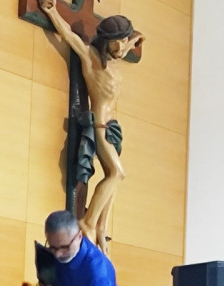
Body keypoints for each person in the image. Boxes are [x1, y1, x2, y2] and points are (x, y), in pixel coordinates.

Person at [40, 0, 145, 254]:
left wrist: (136, 39)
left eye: (124, 41)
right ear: (106, 41)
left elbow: (127, 45)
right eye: (117, 42)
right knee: (117, 173)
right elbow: (68, 35)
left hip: (111, 127)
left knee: (114, 178)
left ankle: (99, 227)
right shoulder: (91, 58)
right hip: (98, 125)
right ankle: (87, 222)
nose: (121, 47)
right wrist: (51, 11)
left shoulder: (115, 58)